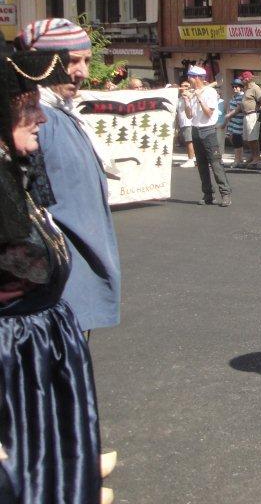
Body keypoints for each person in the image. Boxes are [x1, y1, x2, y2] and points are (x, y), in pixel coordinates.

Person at [0, 47, 110, 504]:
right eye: (27, 108)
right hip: (15, 348)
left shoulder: (13, 168)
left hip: (37, 340)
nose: (40, 118)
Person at [16, 19, 122, 336]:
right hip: (50, 296)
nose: (82, 72)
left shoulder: (61, 114)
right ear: (42, 64)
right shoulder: (32, 122)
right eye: (73, 61)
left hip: (70, 289)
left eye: (86, 61)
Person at [182, 65, 231, 207]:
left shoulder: (210, 92)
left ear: (197, 78)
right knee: (201, 165)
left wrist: (199, 98)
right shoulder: (192, 92)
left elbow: (208, 113)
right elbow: (189, 115)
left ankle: (225, 194)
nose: (189, 79)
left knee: (215, 164)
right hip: (196, 129)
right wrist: (187, 102)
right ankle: (208, 194)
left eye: (191, 76)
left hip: (208, 130)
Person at [224, 79, 246, 168]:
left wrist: (229, 115)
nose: (234, 88)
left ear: (240, 87)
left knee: (237, 139)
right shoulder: (234, 96)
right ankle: (239, 158)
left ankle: (237, 160)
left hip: (238, 121)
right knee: (233, 139)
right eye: (233, 86)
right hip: (232, 121)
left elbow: (238, 108)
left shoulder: (241, 96)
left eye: (236, 86)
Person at [175, 80, 196, 168]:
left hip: (189, 122)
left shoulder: (192, 97)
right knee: (188, 141)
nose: (184, 88)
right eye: (182, 86)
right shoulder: (179, 99)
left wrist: (187, 97)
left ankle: (191, 160)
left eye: (186, 86)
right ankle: (193, 158)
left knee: (189, 141)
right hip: (183, 123)